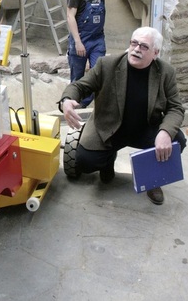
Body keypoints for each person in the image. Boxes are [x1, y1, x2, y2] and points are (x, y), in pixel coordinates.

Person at [58, 26, 186, 206]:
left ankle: (153, 180)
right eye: (134, 43)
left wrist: (164, 132)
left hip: (145, 128)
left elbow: (175, 108)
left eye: (143, 46)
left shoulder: (166, 72)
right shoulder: (107, 64)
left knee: (176, 140)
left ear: (155, 53)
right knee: (85, 162)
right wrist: (68, 99)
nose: (136, 49)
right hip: (109, 127)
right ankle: (108, 161)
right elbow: (79, 86)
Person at [66, 0, 134, 107]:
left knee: (99, 73)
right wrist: (77, 42)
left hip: (97, 39)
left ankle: (88, 104)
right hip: (80, 39)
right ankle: (74, 106)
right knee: (77, 78)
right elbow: (70, 16)